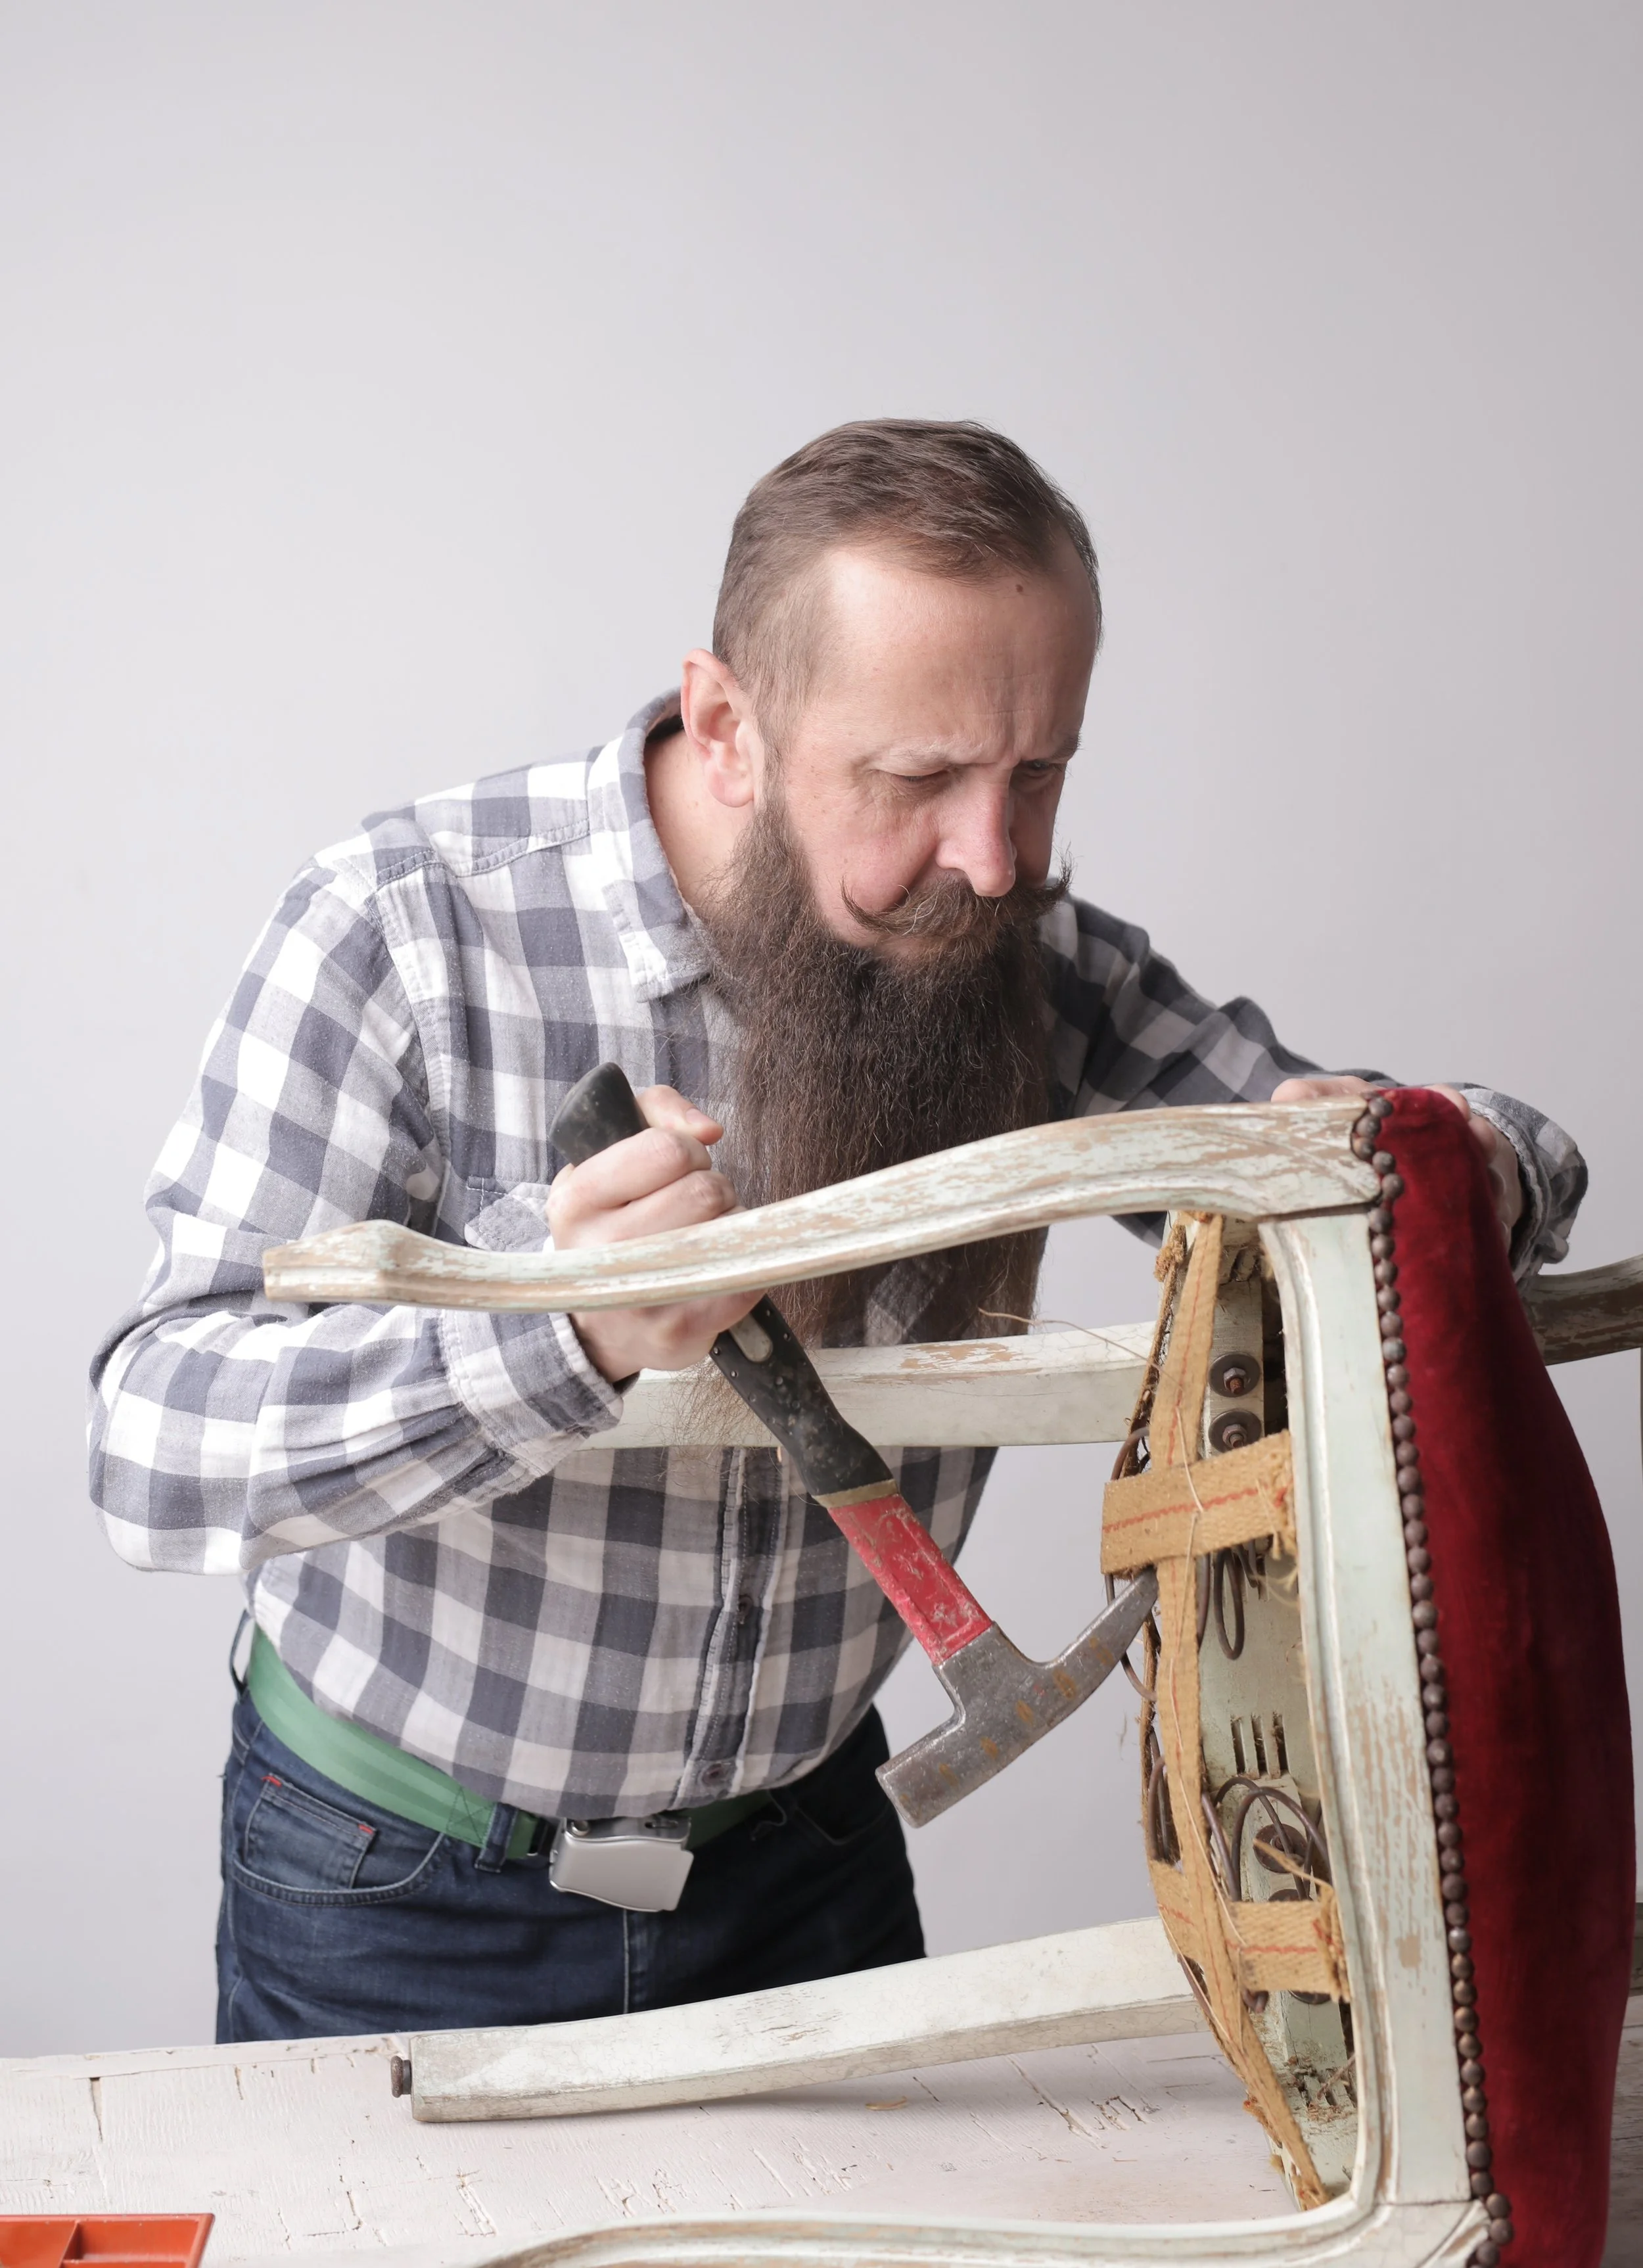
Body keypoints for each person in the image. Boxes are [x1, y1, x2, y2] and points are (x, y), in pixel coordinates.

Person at [89, 420, 1584, 2045]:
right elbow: (157, 1447)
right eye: (917, 777)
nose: (992, 857)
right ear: (727, 723)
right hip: (395, 1889)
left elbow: (1440, 1155)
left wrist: (1443, 1169)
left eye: (1037, 772)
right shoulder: (403, 927)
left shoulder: (1013, 947)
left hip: (809, 1875)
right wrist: (560, 1332)